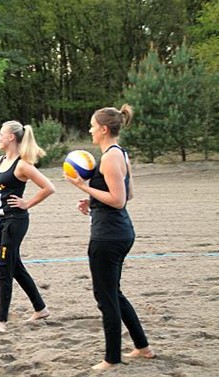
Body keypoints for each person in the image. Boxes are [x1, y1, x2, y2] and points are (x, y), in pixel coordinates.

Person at [64, 104, 155, 370]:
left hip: (108, 236)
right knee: (113, 293)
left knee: (105, 297)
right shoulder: (120, 154)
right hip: (118, 232)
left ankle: (111, 358)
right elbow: (129, 194)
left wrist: (84, 186)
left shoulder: (110, 157)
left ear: (104, 129)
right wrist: (91, 198)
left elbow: (119, 200)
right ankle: (143, 347)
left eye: (92, 126)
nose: (90, 130)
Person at [0, 120, 55, 333]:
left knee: (4, 268)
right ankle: (40, 308)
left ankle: (2, 321)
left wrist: (27, 203)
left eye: (1, 134)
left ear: (11, 137)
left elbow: (48, 187)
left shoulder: (22, 165)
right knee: (15, 265)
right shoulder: (1, 159)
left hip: (15, 222)